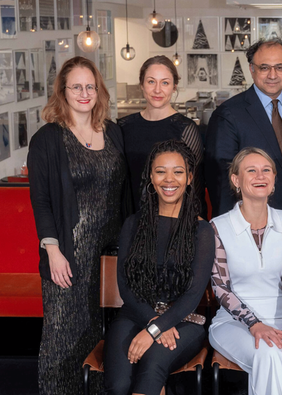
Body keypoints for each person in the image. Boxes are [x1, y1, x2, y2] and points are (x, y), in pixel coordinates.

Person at [28, 56, 129, 394]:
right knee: (63, 338)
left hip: (110, 254)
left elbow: (123, 191)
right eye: (76, 87)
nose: (84, 93)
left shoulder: (113, 131)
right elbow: (41, 200)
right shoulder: (48, 139)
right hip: (68, 257)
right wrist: (52, 250)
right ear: (63, 91)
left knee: (103, 336)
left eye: (90, 86)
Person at [104, 140, 214, 395]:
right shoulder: (133, 224)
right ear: (150, 177)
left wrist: (154, 330)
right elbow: (125, 285)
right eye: (160, 171)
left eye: (178, 171)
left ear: (189, 178)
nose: (169, 179)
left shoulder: (202, 231)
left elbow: (192, 296)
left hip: (183, 320)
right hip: (134, 314)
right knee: (119, 385)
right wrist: (153, 323)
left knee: (151, 366)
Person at [208, 147, 282, 395]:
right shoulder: (217, 227)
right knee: (269, 354)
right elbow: (221, 288)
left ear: (274, 179)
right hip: (233, 323)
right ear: (236, 180)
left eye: (266, 170)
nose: (260, 176)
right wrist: (254, 324)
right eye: (251, 171)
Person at [205, 39, 282, 240]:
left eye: (279, 67)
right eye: (264, 67)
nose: (273, 75)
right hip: (250, 229)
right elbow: (221, 182)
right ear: (251, 69)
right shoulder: (228, 115)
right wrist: (227, 234)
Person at [119, 55, 205, 215]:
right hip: (131, 220)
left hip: (173, 223)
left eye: (165, 82)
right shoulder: (123, 126)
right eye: (151, 81)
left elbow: (195, 187)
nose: (157, 90)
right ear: (142, 85)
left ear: (174, 87)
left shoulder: (186, 129)